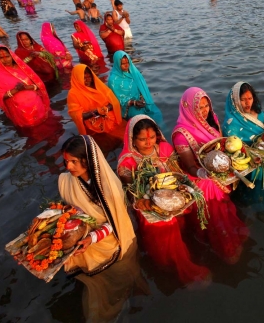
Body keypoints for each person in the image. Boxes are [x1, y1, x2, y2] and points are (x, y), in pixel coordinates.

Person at [117, 115, 210, 284]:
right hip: (148, 203)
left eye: (152, 137)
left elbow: (178, 173)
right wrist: (150, 200)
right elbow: (133, 194)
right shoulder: (128, 161)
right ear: (132, 139)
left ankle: (196, 242)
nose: (149, 142)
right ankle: (174, 263)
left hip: (173, 194)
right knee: (165, 224)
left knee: (203, 194)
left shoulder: (165, 149)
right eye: (142, 139)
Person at [172, 87, 248, 264]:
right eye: (200, 107)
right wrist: (203, 172)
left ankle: (227, 230)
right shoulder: (181, 134)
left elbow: (219, 145)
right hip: (196, 174)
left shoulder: (210, 121)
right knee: (210, 190)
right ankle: (224, 243)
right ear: (189, 108)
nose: (205, 110)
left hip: (214, 167)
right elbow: (190, 166)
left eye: (207, 105)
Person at [58, 135, 136, 275]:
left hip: (108, 242)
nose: (68, 166)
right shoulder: (65, 182)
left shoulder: (111, 189)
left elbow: (118, 222)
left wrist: (92, 238)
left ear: (87, 161)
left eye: (73, 161)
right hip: (79, 239)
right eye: (66, 161)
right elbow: (67, 212)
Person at [0, 45, 50, 128]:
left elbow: (39, 85)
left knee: (48, 126)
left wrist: (26, 88)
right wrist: (16, 90)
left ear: (11, 55)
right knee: (33, 132)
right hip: (20, 112)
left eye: (7, 56)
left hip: (38, 105)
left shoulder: (22, 66)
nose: (6, 60)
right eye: (1, 58)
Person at [108, 51, 164, 127]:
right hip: (127, 107)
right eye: (123, 64)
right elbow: (118, 100)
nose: (126, 65)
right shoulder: (113, 80)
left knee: (156, 113)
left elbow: (141, 89)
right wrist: (133, 102)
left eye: (128, 62)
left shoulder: (133, 73)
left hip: (140, 102)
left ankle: (162, 133)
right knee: (139, 117)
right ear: (118, 63)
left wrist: (142, 99)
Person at [67, 64, 123, 138]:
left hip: (110, 119)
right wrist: (96, 112)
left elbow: (114, 102)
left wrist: (106, 108)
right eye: (84, 78)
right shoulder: (73, 94)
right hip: (92, 125)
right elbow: (76, 115)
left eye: (89, 77)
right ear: (78, 79)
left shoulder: (99, 86)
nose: (88, 80)